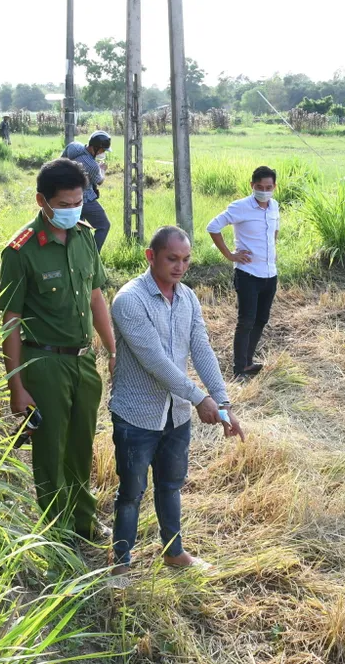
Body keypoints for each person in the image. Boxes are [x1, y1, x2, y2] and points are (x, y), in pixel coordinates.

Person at [108, 226, 245, 579]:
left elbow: (201, 349)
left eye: (186, 259)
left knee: (170, 485)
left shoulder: (187, 298)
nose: (180, 267)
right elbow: (155, 361)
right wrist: (200, 398)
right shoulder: (129, 300)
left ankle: (174, 553)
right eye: (172, 259)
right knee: (131, 492)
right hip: (136, 415)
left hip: (176, 414)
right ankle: (121, 563)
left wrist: (224, 403)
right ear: (150, 256)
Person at [0, 158, 117, 543]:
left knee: (82, 446)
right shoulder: (21, 250)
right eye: (64, 205)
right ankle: (57, 532)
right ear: (42, 202)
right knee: (51, 451)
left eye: (78, 202)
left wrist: (112, 348)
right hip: (43, 361)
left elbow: (96, 295)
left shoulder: (83, 236)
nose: (72, 210)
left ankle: (84, 521)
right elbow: (11, 320)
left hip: (82, 361)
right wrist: (16, 386)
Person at [207, 165, 280, 378]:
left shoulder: (274, 206)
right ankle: (239, 368)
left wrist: (271, 252)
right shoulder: (240, 207)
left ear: (274, 186)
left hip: (269, 273)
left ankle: (248, 361)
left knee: (261, 319)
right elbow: (213, 227)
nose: (264, 191)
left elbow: (274, 232)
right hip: (248, 274)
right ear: (252, 185)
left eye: (268, 187)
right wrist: (230, 255)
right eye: (260, 187)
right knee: (246, 320)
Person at [61, 130, 111, 252]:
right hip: (86, 199)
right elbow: (99, 181)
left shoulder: (74, 147)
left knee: (78, 230)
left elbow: (61, 161)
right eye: (103, 150)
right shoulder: (92, 165)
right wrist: (102, 169)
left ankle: (76, 254)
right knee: (104, 225)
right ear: (96, 148)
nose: (103, 153)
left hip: (68, 196)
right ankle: (93, 255)